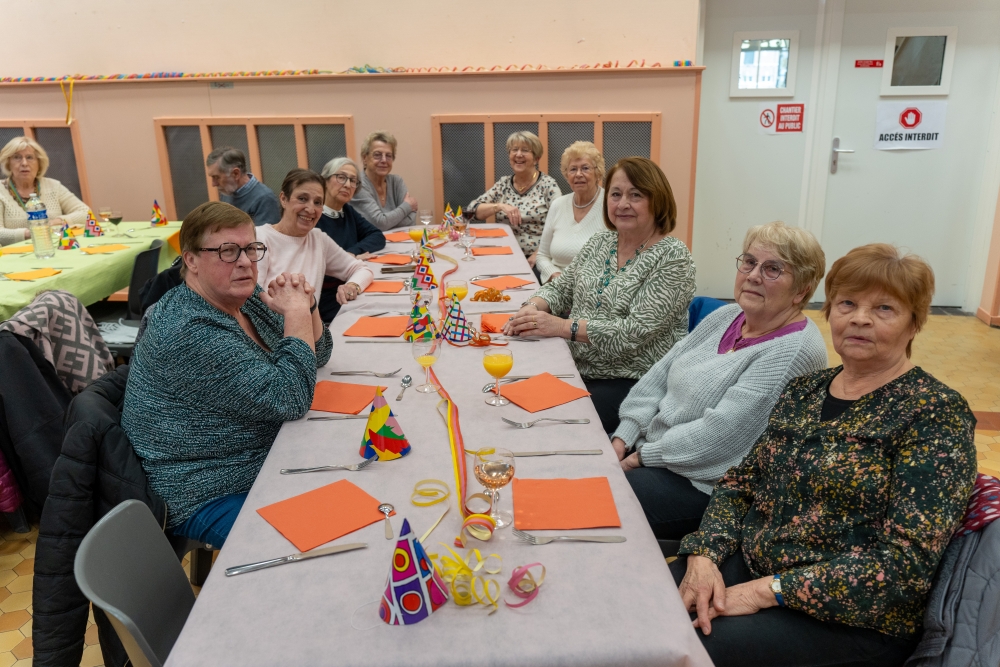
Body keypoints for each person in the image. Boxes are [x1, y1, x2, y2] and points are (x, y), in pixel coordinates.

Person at [671, 243, 977, 667]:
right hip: (753, 565)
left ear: (914, 323)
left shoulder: (934, 413)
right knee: (641, 602)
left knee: (682, 648)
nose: (860, 318)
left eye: (884, 308)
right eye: (847, 303)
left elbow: (904, 565)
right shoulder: (805, 390)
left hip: (847, 616)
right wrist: (705, 555)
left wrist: (767, 591)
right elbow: (741, 483)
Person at [121, 201, 333, 547]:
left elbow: (317, 354)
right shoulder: (188, 330)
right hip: (211, 485)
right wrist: (295, 314)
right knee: (321, 539)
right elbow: (291, 398)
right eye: (228, 251)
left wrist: (306, 304)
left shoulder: (241, 298)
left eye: (251, 249)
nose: (246, 262)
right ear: (191, 260)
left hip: (261, 454)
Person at [613, 221, 828, 539]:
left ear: (802, 290)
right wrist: (624, 436)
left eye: (772, 269)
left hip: (708, 485)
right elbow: (659, 375)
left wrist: (641, 457)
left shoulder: (793, 352)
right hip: (657, 451)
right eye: (750, 262)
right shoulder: (728, 315)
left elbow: (719, 438)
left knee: (600, 499)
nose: (753, 275)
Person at [504, 157, 696, 433]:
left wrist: (561, 326)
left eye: (636, 195)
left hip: (632, 381)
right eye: (615, 194)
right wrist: (533, 306)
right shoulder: (601, 241)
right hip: (576, 366)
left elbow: (632, 333)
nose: (623, 204)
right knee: (508, 392)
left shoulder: (673, 257)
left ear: (658, 200)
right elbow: (561, 287)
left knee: (547, 424)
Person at [256, 169, 373, 312]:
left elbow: (361, 269)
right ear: (284, 199)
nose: (311, 209)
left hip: (310, 325)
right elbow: (251, 303)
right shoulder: (259, 238)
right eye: (302, 199)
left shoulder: (318, 239)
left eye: (317, 202)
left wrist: (352, 286)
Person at [468, 131, 562, 265]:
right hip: (502, 253)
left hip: (535, 258)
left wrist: (539, 255)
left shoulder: (548, 185)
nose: (518, 154)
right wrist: (499, 206)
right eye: (514, 150)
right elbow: (471, 211)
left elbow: (562, 224)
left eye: (525, 150)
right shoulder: (503, 184)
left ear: (536, 159)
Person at [316, 157, 387, 321]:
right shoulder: (315, 218)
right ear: (325, 180)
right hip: (327, 300)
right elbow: (321, 270)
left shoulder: (347, 211)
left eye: (353, 181)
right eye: (341, 177)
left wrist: (351, 252)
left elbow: (377, 236)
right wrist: (347, 259)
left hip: (352, 286)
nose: (348, 185)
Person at [535, 141, 606, 283]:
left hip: (595, 287)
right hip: (556, 286)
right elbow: (542, 255)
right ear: (567, 175)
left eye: (585, 168)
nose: (578, 174)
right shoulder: (558, 205)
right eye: (573, 169)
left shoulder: (610, 205)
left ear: (597, 172)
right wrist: (555, 276)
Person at [0, 136, 89, 246]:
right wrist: (30, 233)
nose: (24, 163)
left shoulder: (53, 186)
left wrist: (55, 222)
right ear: (8, 163)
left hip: (54, 248)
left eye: (29, 157)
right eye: (17, 157)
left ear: (39, 163)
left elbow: (85, 212)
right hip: (15, 254)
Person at [351, 131, 417, 231]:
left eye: (388, 156)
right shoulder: (358, 184)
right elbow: (379, 223)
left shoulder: (397, 182)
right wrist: (407, 206)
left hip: (402, 240)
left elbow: (411, 220)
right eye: (377, 155)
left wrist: (387, 223)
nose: (384, 160)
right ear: (365, 158)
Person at [205, 146, 281, 226]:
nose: (213, 184)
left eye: (216, 177)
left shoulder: (264, 198)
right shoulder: (227, 192)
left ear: (236, 174)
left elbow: (266, 233)